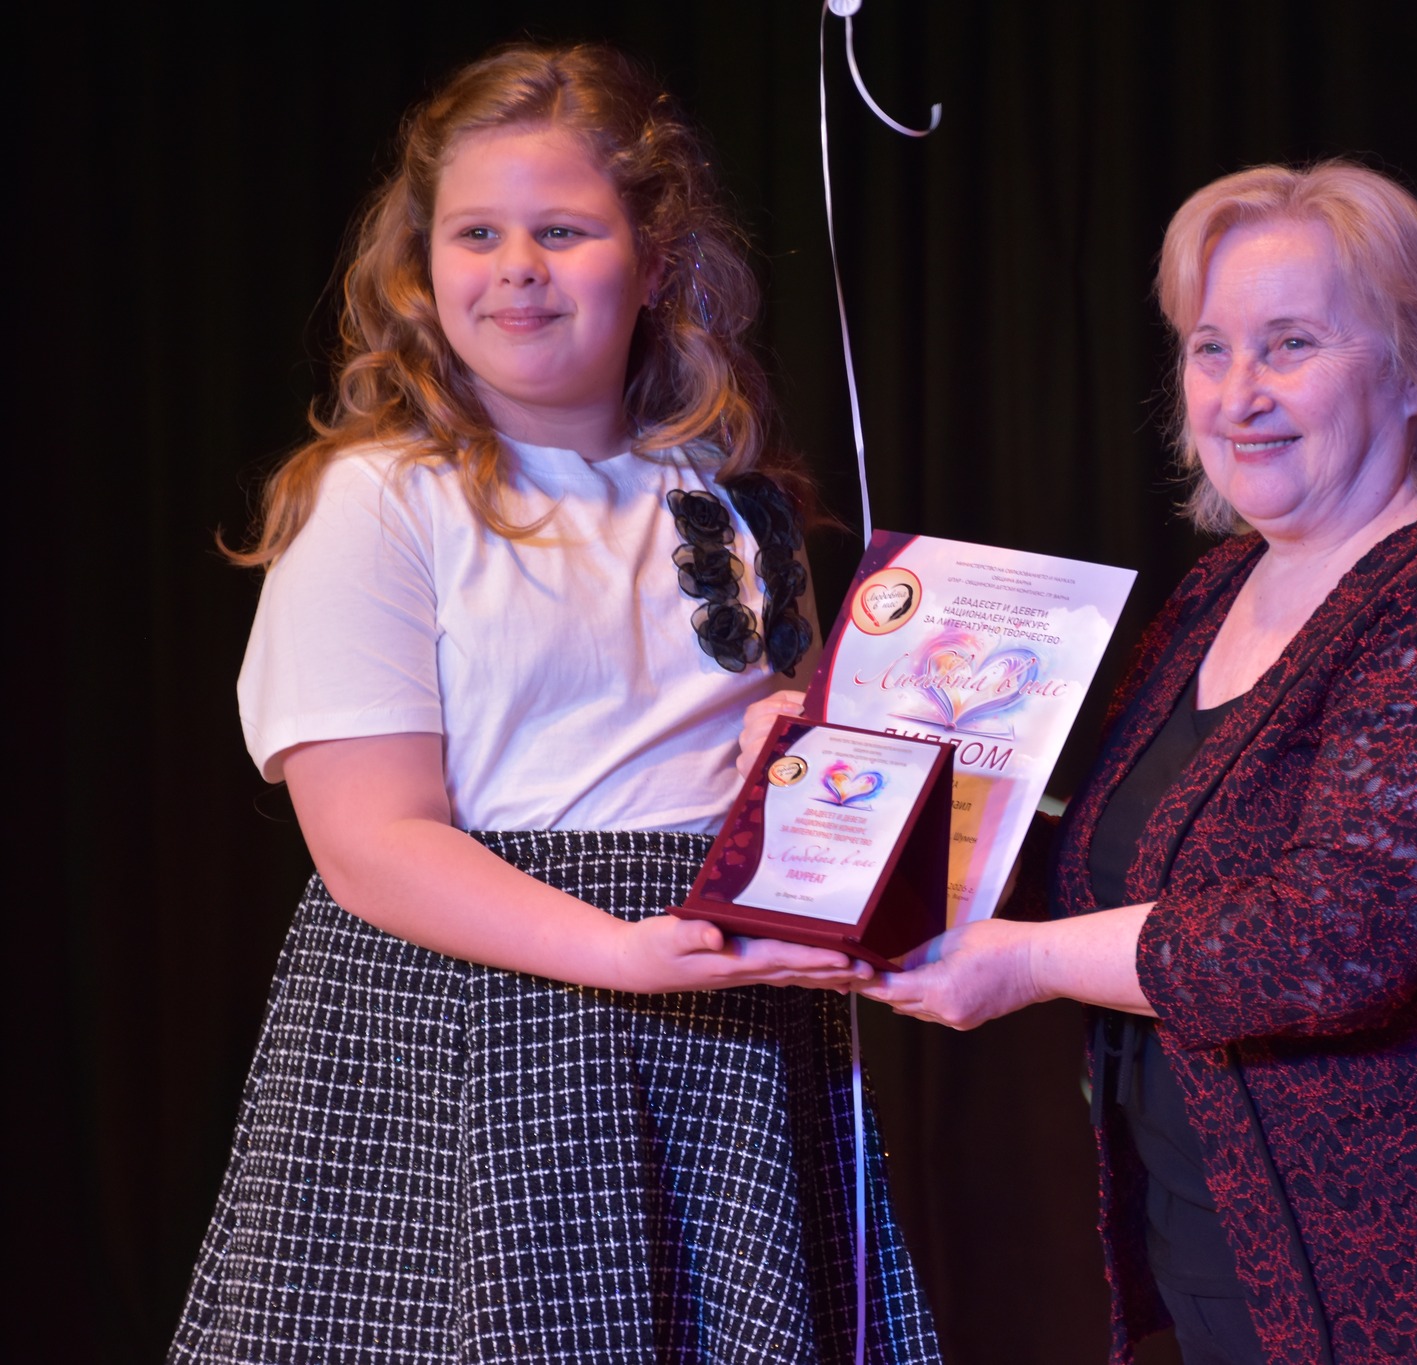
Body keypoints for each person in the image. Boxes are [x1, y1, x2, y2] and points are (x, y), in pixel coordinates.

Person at [856, 161, 1417, 1365]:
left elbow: (1330, 940)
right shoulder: (1217, 591)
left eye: (1289, 344)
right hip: (1260, 1285)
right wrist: (864, 783)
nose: (1238, 394)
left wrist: (1023, 965)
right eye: (1209, 348)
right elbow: (1117, 878)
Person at [171, 44, 941, 1364]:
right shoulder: (382, 498)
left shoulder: (731, 494)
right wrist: (616, 951)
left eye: (564, 231)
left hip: (717, 1017)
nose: (517, 266)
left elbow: (773, 743)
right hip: (482, 1024)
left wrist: (789, 741)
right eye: (477, 234)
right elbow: (369, 840)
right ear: (420, 270)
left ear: (653, 260)